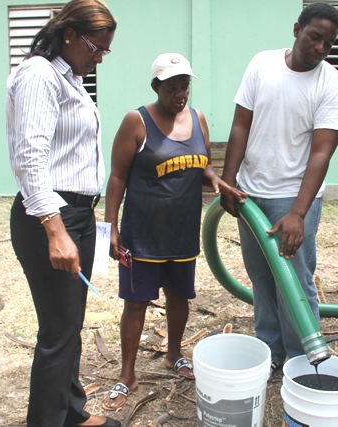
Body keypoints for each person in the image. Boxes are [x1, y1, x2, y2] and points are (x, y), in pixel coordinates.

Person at [101, 53, 246, 411]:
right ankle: (127, 375)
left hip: (183, 231)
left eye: (185, 87)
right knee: (135, 303)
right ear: (156, 87)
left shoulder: (197, 118)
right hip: (142, 234)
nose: (180, 94)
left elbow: (202, 166)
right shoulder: (136, 122)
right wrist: (110, 228)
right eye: (172, 88)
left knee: (179, 295)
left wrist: (218, 182)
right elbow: (117, 177)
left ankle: (174, 354)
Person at [6, 1, 120, 426]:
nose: (98, 58)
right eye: (95, 48)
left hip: (76, 215)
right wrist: (55, 230)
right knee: (57, 331)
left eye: (105, 52)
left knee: (70, 324)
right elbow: (30, 157)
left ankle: (71, 412)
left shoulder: (68, 77)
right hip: (50, 218)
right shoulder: (39, 74)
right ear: (68, 34)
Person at [220, 2, 338, 373]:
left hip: (292, 198)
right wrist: (229, 180)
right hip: (250, 194)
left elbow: (322, 153)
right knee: (262, 276)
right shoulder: (262, 64)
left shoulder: (333, 84)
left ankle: (302, 359)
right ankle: (270, 351)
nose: (321, 48)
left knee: (294, 281)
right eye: (314, 37)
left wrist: (298, 212)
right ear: (296, 29)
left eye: (329, 43)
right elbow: (241, 125)